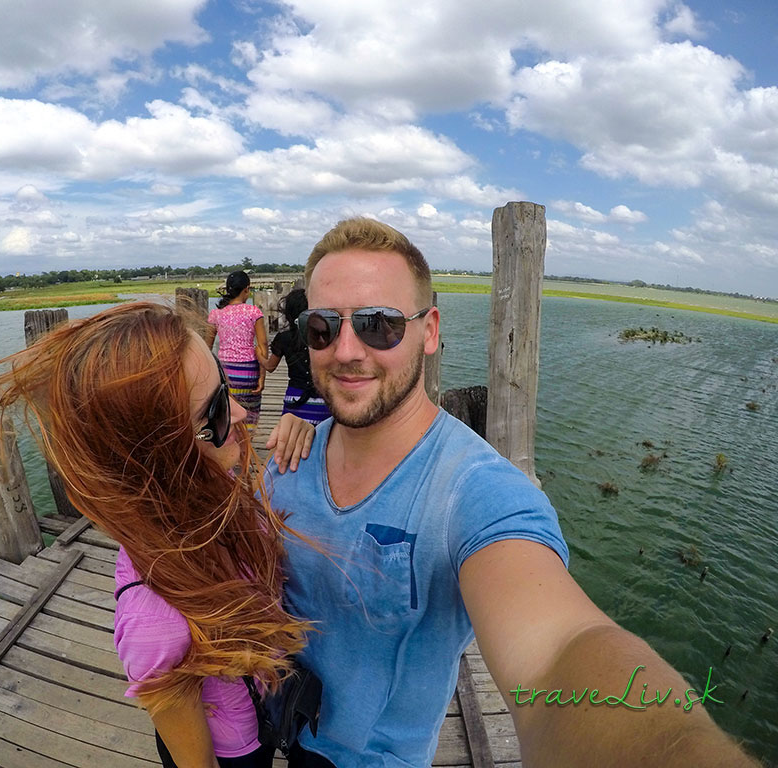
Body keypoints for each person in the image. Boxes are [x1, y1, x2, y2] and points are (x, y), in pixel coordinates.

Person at [266, 218, 760, 768]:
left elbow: (558, 649)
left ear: (429, 331)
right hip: (284, 729)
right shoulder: (289, 460)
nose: (346, 350)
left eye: (378, 325)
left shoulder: (474, 490)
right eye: (322, 328)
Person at [0, 301, 317, 768]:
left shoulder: (214, 503)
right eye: (214, 412)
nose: (241, 414)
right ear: (156, 462)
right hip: (235, 747)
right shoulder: (158, 623)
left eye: (225, 385)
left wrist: (310, 435)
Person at [208, 271, 268, 430]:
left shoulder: (216, 314)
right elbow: (263, 345)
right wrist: (262, 376)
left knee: (229, 413)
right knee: (250, 414)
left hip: (225, 372)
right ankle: (248, 449)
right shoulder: (254, 312)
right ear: (246, 289)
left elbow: (207, 346)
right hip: (248, 372)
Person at [264, 288, 331, 426]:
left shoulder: (284, 338)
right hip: (324, 400)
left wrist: (258, 354)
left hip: (295, 399)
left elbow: (269, 366)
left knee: (292, 442)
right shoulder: (324, 337)